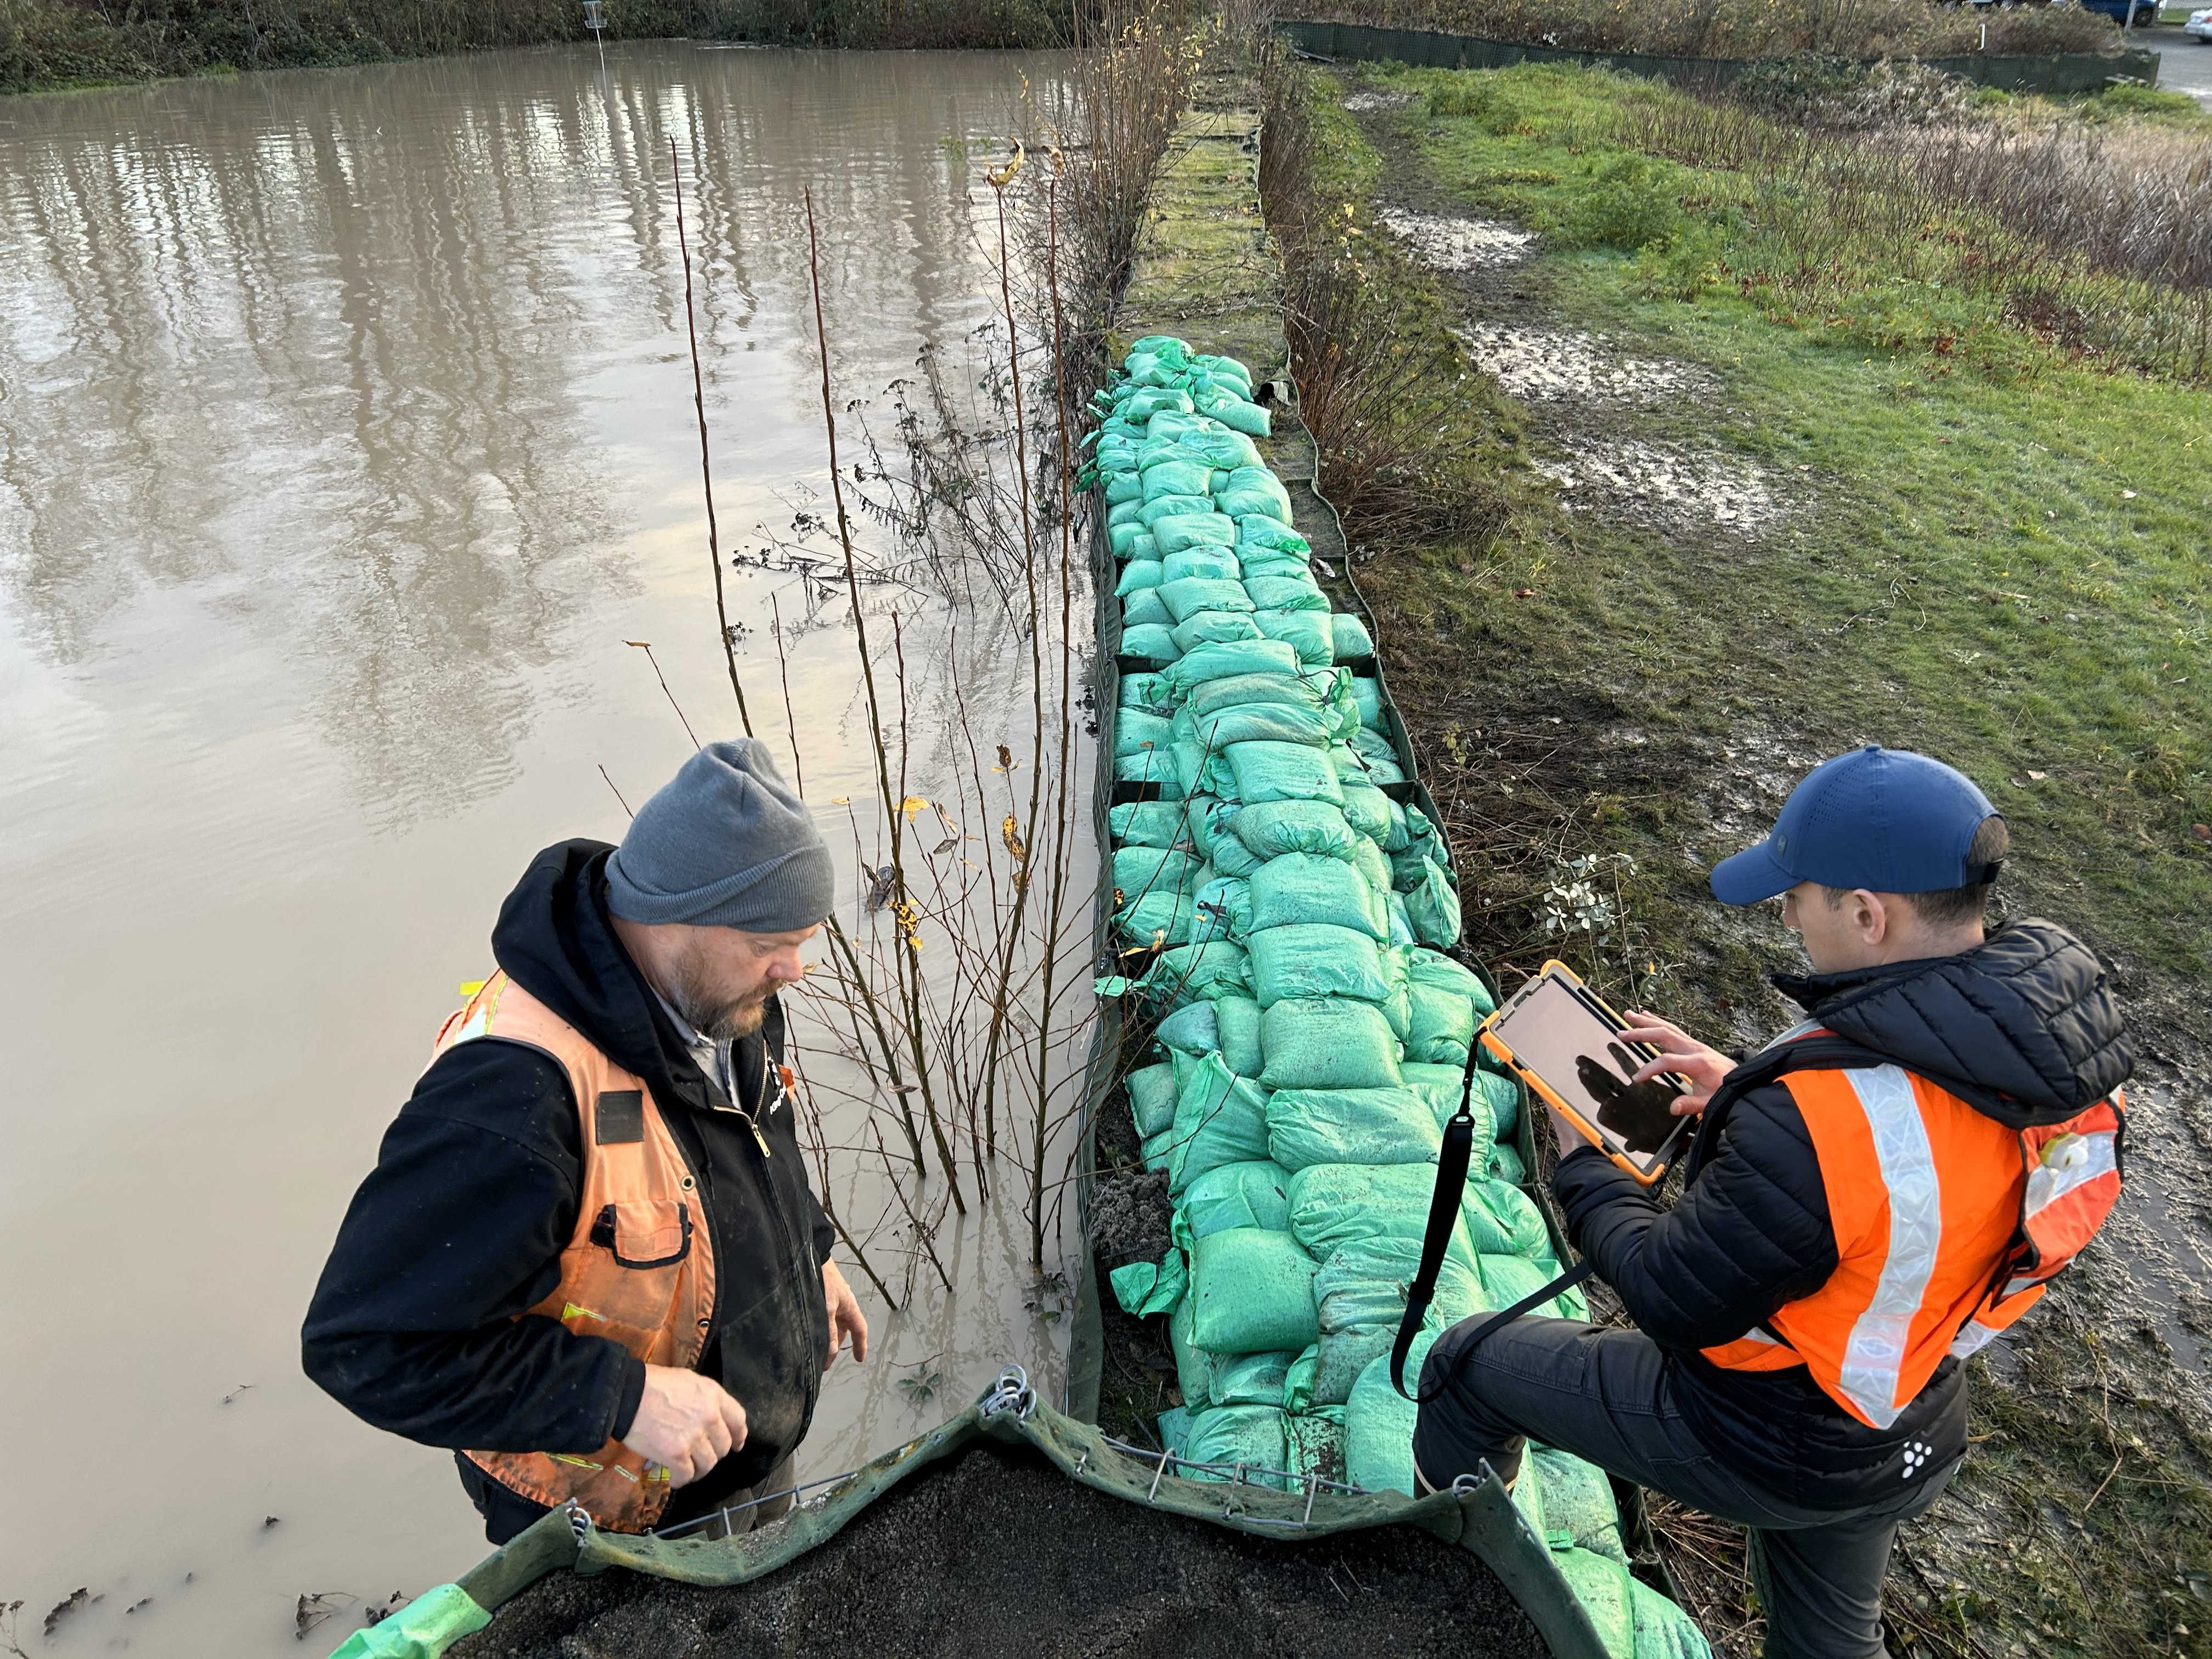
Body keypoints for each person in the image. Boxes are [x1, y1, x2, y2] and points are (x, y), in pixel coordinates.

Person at [1413, 746, 2130, 1659]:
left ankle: (1448, 1603)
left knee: (1468, 1367)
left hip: (1764, 1434)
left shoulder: (1820, 1123)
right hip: (1907, 1422)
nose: (1786, 912)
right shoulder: (2065, 1076)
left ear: (1869, 915)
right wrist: (1747, 1088)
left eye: (1798, 896)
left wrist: (1586, 1160)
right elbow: (1921, 1165)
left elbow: (1671, 1296)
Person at [303, 738, 870, 1542]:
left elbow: (751, 1133)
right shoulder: (513, 1101)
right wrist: (626, 1398)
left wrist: (811, 1252)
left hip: (743, 1467)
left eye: (802, 941)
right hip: (620, 1526)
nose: (795, 970)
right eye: (771, 945)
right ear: (677, 915)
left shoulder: (722, 994)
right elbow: (365, 1347)